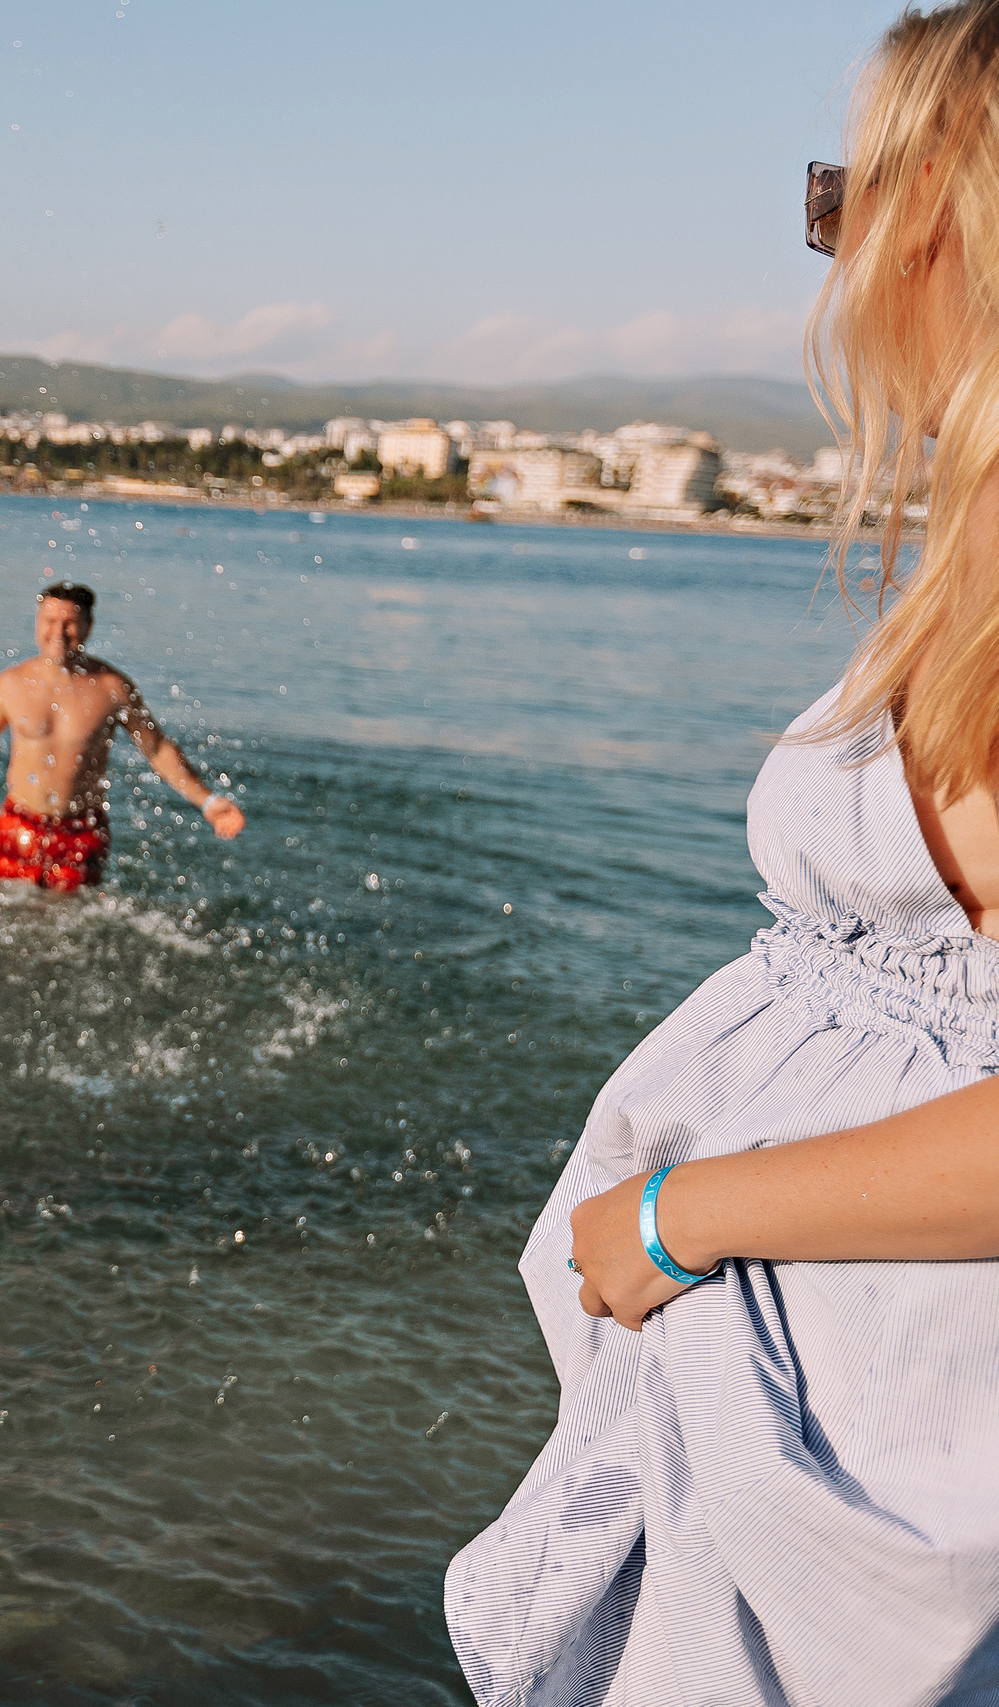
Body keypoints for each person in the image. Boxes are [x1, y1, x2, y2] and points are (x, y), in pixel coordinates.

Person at [450, 8, 999, 1700]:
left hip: (892, 1457)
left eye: (841, 199)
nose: (828, 256)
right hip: (827, 1423)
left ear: (943, 222)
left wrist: (691, 1211)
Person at [0, 581, 245, 887]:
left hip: (82, 829)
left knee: (68, 931)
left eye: (69, 622)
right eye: (49, 621)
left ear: (88, 626)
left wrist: (209, 802)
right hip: (19, 823)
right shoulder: (11, 683)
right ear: (37, 624)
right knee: (11, 918)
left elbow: (156, 749)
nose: (59, 631)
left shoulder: (113, 687)